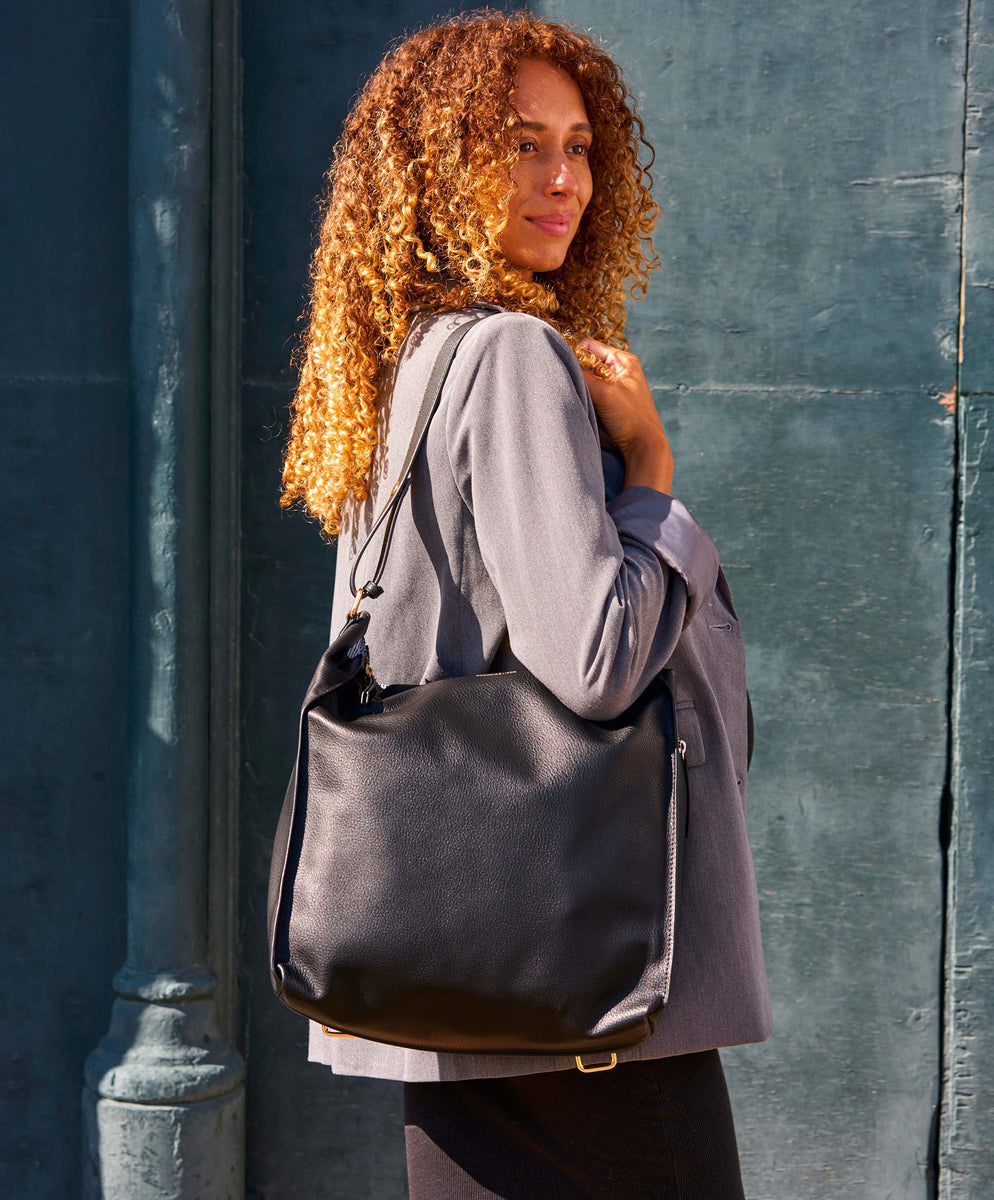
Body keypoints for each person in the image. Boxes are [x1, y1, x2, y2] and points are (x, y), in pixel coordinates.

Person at [280, 9, 772, 1197]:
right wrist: (650, 469)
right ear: (435, 170)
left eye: (580, 146)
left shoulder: (410, 357)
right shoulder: (509, 355)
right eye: (519, 145)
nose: (565, 181)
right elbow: (593, 660)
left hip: (454, 956)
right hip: (582, 966)